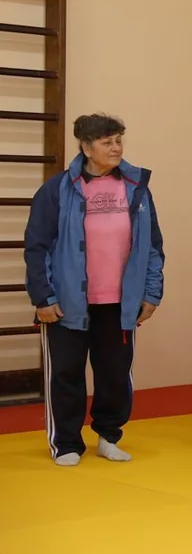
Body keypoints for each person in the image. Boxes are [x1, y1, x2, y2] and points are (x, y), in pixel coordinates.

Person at [23, 113, 165, 466]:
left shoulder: (136, 188)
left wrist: (151, 293)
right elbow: (37, 247)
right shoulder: (56, 190)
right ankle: (66, 443)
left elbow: (152, 246)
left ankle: (109, 437)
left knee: (115, 374)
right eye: (107, 142)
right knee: (66, 374)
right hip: (67, 304)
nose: (116, 148)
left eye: (118, 140)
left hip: (120, 304)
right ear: (86, 148)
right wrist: (43, 297)